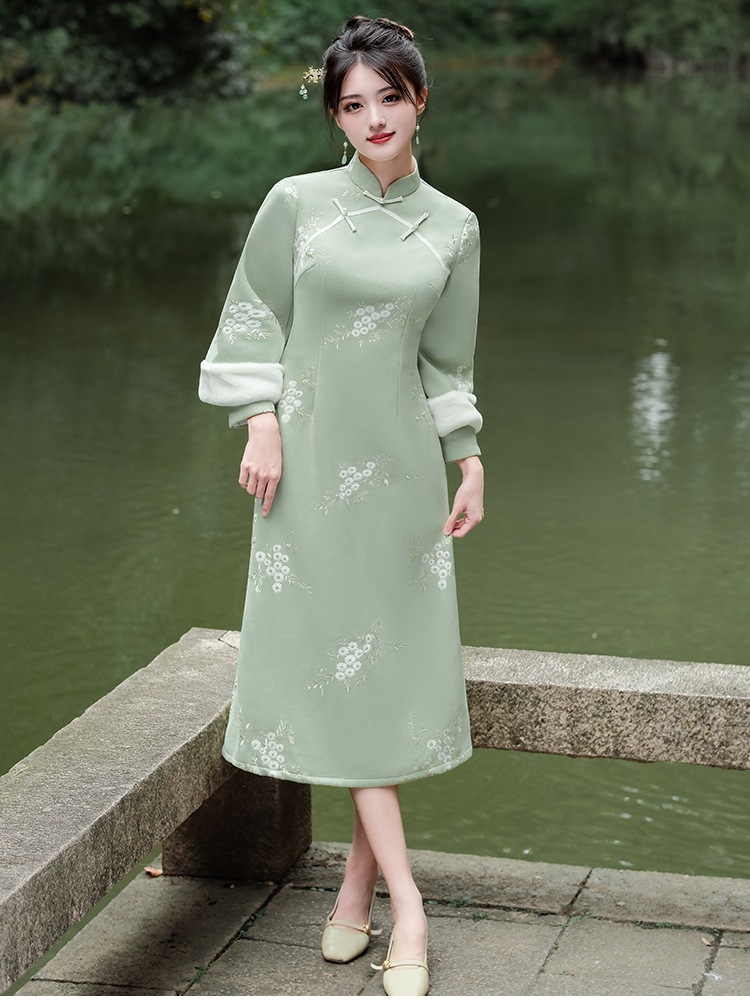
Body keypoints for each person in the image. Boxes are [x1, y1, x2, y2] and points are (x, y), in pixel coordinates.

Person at [198, 15, 484, 997]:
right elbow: (251, 318)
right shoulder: (297, 205)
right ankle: (411, 903)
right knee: (339, 664)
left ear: (418, 99)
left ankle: (358, 893)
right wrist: (259, 422)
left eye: (389, 98)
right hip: (307, 473)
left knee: (383, 674)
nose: (373, 118)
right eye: (353, 104)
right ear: (335, 116)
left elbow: (447, 363)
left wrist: (468, 459)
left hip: (403, 477)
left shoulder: (454, 227)